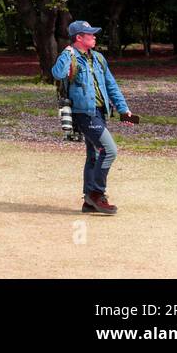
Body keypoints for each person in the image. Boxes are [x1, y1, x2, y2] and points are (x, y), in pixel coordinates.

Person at [50, 21, 136, 215]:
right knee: (109, 150)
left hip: (100, 112)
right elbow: (57, 73)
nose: (94, 36)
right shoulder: (70, 57)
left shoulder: (98, 58)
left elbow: (111, 85)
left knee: (94, 155)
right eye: (90, 34)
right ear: (79, 38)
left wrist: (123, 109)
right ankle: (97, 194)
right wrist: (66, 54)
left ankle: (89, 201)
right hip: (83, 113)